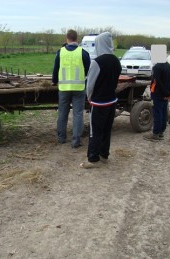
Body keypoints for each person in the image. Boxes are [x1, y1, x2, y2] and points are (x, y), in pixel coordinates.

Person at [80, 32, 122, 169]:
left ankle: (93, 159)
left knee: (95, 131)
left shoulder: (97, 62)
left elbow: (90, 84)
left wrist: (89, 97)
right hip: (111, 101)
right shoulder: (116, 61)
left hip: (99, 103)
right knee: (106, 129)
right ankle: (104, 155)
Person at [52, 29, 91, 148]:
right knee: (78, 114)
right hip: (79, 88)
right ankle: (76, 141)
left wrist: (54, 81)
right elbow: (89, 71)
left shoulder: (60, 52)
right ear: (77, 39)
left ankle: (61, 138)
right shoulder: (83, 53)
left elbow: (56, 69)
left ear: (67, 38)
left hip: (64, 88)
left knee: (62, 113)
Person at [143, 60, 170, 142]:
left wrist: (164, 92)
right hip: (165, 94)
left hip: (157, 94)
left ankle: (155, 134)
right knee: (164, 113)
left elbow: (158, 82)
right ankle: (161, 132)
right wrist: (168, 93)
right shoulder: (168, 66)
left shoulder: (157, 67)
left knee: (157, 114)